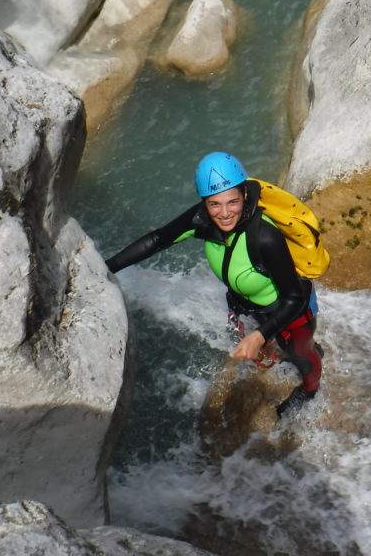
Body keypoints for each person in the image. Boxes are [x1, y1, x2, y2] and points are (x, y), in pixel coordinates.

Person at [105, 152, 323, 418]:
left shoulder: (265, 237)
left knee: (299, 352)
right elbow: (157, 239)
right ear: (204, 203)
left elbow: (293, 297)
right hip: (253, 305)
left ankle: (311, 388)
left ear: (244, 194)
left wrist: (259, 335)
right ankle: (284, 341)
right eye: (214, 204)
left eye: (233, 201)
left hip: (293, 312)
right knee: (275, 342)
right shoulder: (202, 220)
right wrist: (106, 267)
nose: (224, 213)